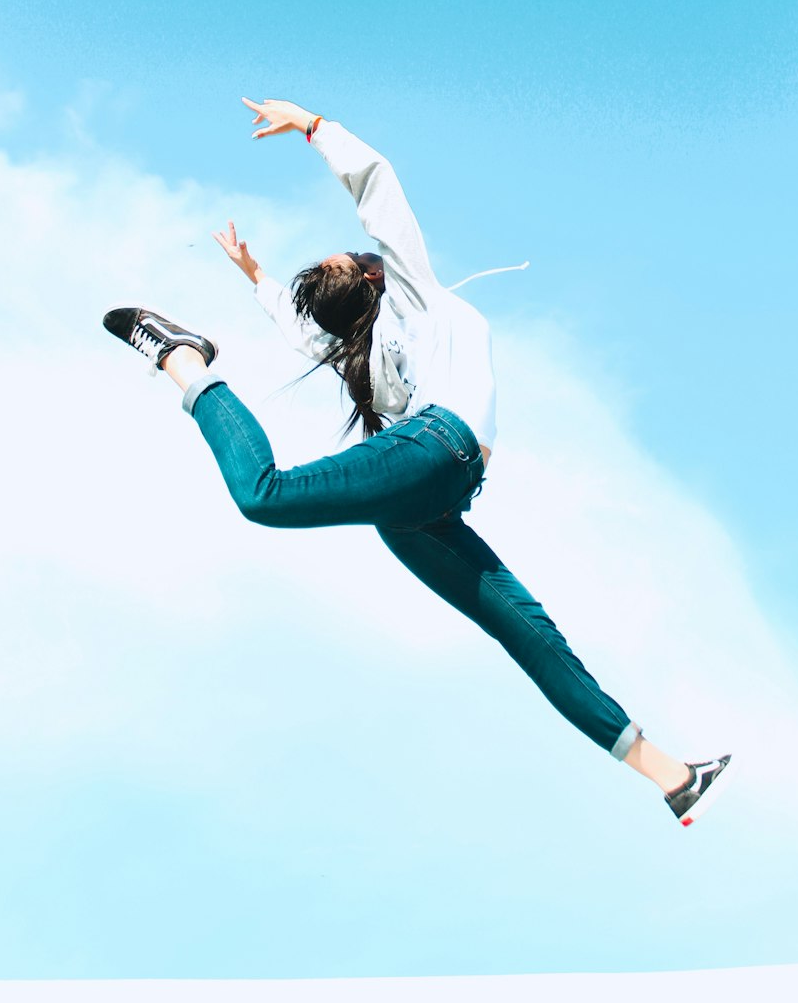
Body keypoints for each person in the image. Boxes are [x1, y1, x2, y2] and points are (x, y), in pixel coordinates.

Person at [103, 96, 731, 827]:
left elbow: (370, 211)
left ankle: (672, 775)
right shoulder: (384, 341)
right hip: (431, 458)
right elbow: (329, 303)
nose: (352, 256)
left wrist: (301, 167)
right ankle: (183, 358)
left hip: (432, 493)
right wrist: (279, 227)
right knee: (263, 495)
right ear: (374, 280)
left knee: (527, 632)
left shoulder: (415, 302)